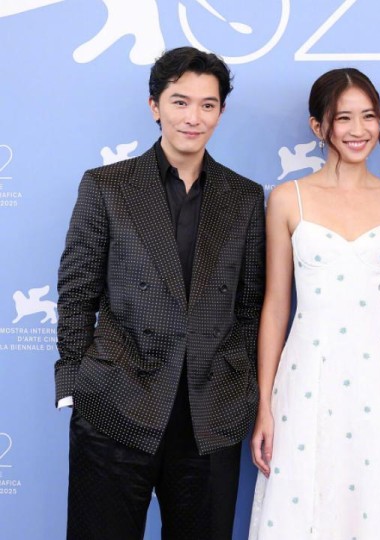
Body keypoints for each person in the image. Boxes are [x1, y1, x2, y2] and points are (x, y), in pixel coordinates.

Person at [55, 47, 265, 539]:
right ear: (155, 106)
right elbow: (76, 292)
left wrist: (240, 387)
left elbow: (250, 305)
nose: (194, 117)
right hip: (116, 402)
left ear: (221, 112)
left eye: (208, 105)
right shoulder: (107, 186)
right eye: (180, 102)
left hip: (210, 412)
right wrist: (75, 383)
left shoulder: (245, 197)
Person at [248, 68, 380, 539]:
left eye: (369, 116)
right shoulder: (288, 199)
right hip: (309, 371)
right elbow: (276, 306)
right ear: (319, 126)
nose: (359, 130)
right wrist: (264, 405)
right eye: (343, 117)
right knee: (307, 497)